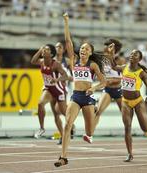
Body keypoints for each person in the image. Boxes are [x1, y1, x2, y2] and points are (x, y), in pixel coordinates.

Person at [54, 13, 106, 167]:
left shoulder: (92, 65)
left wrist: (94, 87)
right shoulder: (74, 61)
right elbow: (68, 41)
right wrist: (66, 22)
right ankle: (63, 157)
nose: (83, 50)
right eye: (82, 48)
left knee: (89, 132)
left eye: (86, 49)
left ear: (90, 52)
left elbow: (103, 82)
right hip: (76, 96)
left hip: (88, 98)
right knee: (67, 124)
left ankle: (92, 122)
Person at [114, 49, 147, 162]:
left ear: (139, 59)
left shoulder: (140, 72)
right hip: (125, 102)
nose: (132, 55)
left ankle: (146, 105)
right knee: (127, 127)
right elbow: (113, 66)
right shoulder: (124, 67)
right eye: (131, 53)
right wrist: (111, 54)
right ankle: (130, 154)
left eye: (135, 54)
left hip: (138, 101)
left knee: (145, 128)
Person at [31, 44, 69, 141]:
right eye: (44, 49)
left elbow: (65, 76)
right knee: (40, 103)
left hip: (59, 90)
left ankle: (71, 125)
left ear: (51, 54)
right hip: (48, 89)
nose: (44, 50)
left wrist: (57, 79)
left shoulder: (56, 64)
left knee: (64, 113)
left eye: (46, 50)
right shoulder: (41, 62)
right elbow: (33, 61)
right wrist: (40, 50)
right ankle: (42, 128)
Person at [92, 38, 126, 133]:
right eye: (105, 45)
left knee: (125, 114)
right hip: (107, 90)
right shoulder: (102, 59)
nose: (104, 47)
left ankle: (128, 131)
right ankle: (90, 133)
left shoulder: (120, 60)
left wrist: (111, 81)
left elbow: (124, 78)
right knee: (98, 111)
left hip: (119, 90)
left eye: (107, 46)